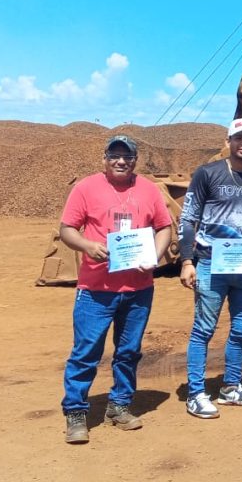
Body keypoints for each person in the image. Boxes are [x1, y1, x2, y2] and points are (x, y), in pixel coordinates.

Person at [59, 135, 173, 444]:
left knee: (128, 351)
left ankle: (120, 405)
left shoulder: (149, 189)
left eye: (127, 156)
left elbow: (164, 227)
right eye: (114, 155)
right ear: (105, 159)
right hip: (96, 289)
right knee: (86, 352)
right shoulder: (85, 188)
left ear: (135, 160)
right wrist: (87, 246)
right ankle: (76, 411)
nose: (121, 161)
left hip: (138, 289)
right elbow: (67, 229)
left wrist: (155, 256)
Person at [178, 118, 242, 419]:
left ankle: (231, 386)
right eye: (239, 138)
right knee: (203, 329)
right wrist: (187, 261)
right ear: (228, 141)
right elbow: (188, 219)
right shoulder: (208, 173)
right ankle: (196, 393)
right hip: (210, 264)